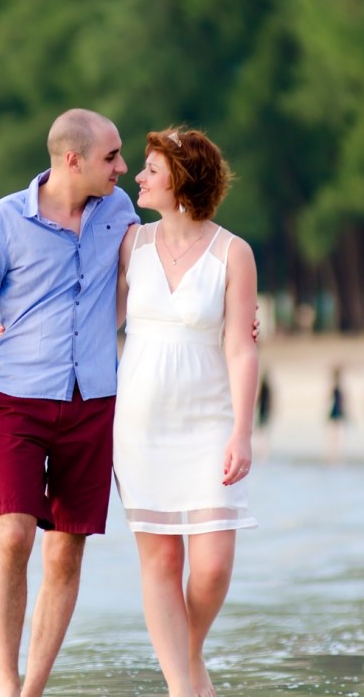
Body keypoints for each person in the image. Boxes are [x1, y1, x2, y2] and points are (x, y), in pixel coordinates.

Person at [0, 108, 138, 697]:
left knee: (67, 553)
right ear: (72, 160)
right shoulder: (4, 220)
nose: (122, 167)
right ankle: (7, 679)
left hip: (93, 403)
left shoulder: (121, 211)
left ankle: (34, 690)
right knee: (13, 537)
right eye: (111, 156)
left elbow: (159, 270)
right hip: (19, 400)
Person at [112, 126, 259, 697]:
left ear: (182, 178)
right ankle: (184, 687)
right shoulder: (132, 244)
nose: (139, 177)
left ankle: (186, 660)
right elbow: (101, 320)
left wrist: (242, 433)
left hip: (209, 421)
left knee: (214, 565)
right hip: (141, 425)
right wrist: (19, 330)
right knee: (160, 563)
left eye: (151, 168)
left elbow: (243, 347)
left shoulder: (234, 252)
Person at [326, 365, 348, 464]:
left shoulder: (335, 386)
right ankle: (335, 452)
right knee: (337, 432)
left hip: (335, 409)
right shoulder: (339, 386)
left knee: (334, 432)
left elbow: (328, 399)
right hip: (337, 409)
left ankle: (334, 452)